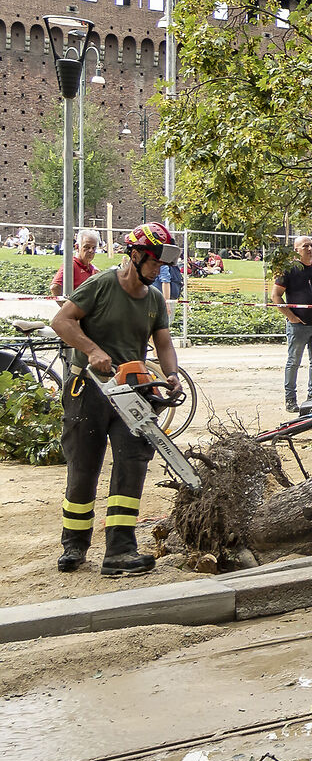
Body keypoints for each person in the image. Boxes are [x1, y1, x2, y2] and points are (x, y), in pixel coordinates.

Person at [49, 222, 182, 576]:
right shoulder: (102, 285)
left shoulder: (154, 298)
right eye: (155, 262)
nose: (159, 269)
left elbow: (164, 342)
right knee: (83, 467)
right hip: (89, 389)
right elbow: (62, 321)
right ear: (136, 256)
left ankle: (120, 551)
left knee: (132, 464)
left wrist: (170, 374)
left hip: (131, 394)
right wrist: (92, 350)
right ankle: (74, 546)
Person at [271, 237, 312, 411]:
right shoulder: (288, 269)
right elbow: (276, 296)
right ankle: (290, 399)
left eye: (311, 245)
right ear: (296, 250)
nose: (310, 249)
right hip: (298, 326)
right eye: (305, 246)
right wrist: (291, 317)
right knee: (294, 361)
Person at [48, 230, 99, 297]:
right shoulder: (71, 265)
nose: (91, 251)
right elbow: (55, 287)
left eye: (94, 248)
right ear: (77, 247)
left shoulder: (92, 268)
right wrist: (68, 306)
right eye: (87, 247)